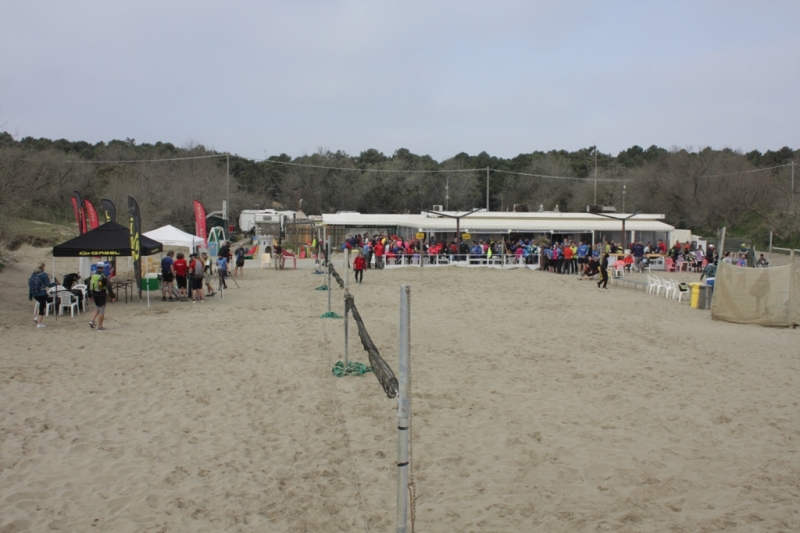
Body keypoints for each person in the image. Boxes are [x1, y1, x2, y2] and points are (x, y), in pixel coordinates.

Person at [29, 262, 58, 328]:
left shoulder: (33, 273)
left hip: (35, 294)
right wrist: (55, 283)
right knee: (42, 308)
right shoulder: (44, 275)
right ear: (43, 267)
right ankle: (39, 323)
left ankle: (36, 317)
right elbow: (48, 285)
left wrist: (30, 295)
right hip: (42, 294)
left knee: (40, 305)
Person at [89, 261, 116, 331]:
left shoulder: (93, 275)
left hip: (94, 294)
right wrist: (112, 296)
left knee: (97, 308)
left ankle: (92, 320)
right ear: (103, 268)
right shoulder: (103, 276)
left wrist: (89, 295)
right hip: (101, 294)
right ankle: (100, 326)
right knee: (101, 310)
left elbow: (89, 285)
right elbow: (108, 287)